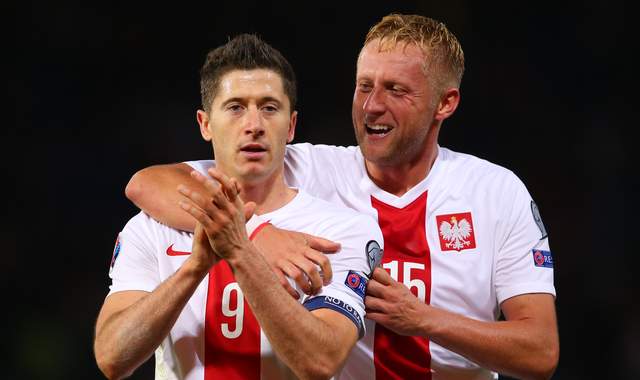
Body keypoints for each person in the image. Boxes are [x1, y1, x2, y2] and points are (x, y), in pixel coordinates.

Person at [126, 14, 559, 380]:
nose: (372, 106)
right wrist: (255, 232)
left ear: (445, 103)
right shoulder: (311, 168)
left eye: (396, 90)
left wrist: (424, 320)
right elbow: (149, 183)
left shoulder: (496, 193)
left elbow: (540, 351)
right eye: (364, 86)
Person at [94, 34, 384, 380]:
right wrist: (195, 267)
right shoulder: (154, 226)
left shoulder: (341, 231)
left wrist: (240, 250)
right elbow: (112, 357)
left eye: (269, 107)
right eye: (235, 107)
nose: (254, 125)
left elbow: (321, 361)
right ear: (205, 124)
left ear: (290, 126)